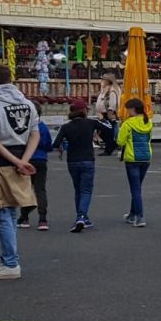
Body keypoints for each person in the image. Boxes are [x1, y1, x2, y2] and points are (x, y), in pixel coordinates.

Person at [0, 65, 41, 280]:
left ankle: (11, 263)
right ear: (11, 80)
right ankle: (7, 257)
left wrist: (15, 161)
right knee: (12, 212)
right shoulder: (27, 103)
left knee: (1, 212)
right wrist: (24, 160)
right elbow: (35, 134)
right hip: (22, 157)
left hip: (0, 161)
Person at [52, 98, 100, 232]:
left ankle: (83, 216)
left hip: (72, 160)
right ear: (84, 111)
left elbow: (55, 143)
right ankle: (82, 216)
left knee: (78, 189)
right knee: (86, 190)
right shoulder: (91, 123)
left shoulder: (66, 126)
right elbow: (108, 128)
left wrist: (63, 145)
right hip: (88, 159)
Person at [117, 98, 154, 228]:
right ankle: (132, 214)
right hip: (146, 156)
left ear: (133, 109)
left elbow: (120, 141)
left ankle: (140, 216)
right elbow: (150, 138)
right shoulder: (148, 122)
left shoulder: (128, 123)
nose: (127, 112)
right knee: (137, 187)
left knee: (135, 188)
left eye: (128, 109)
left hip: (132, 158)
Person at [17, 119, 52, 231]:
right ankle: (42, 219)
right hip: (41, 158)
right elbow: (48, 144)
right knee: (40, 189)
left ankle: (24, 217)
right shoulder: (43, 127)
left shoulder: (24, 127)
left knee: (26, 189)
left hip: (27, 158)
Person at [94, 73, 122, 155]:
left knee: (106, 132)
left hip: (108, 114)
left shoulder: (112, 90)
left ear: (107, 81)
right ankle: (111, 145)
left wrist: (110, 113)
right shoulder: (105, 89)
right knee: (102, 131)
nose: (101, 81)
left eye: (103, 79)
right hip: (102, 114)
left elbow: (113, 104)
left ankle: (109, 149)